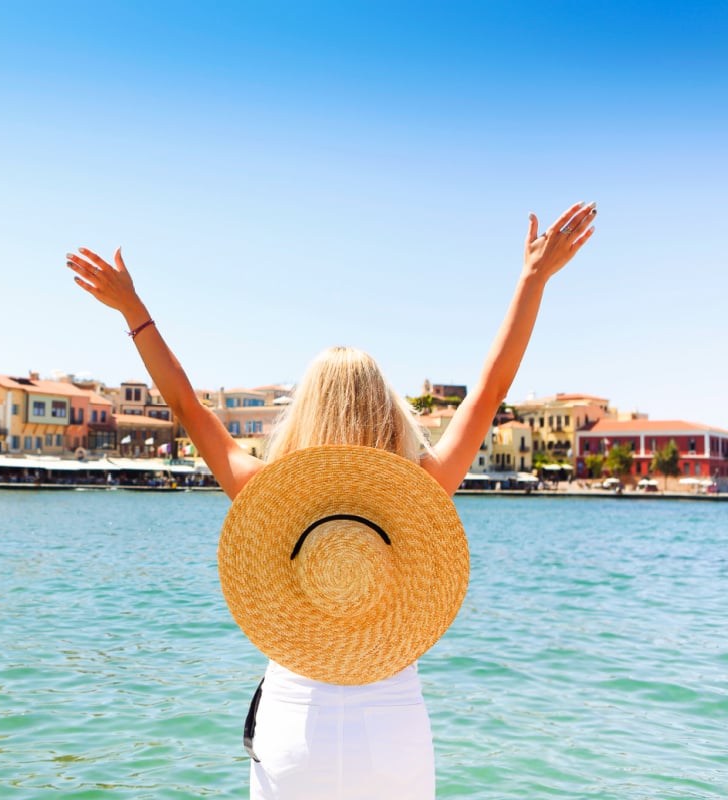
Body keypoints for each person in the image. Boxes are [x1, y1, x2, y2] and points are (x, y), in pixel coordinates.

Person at [66, 200, 596, 798]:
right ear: (388, 407)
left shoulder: (265, 491)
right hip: (394, 727)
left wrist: (133, 309)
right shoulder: (422, 488)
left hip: (296, 721)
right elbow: (492, 388)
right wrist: (532, 279)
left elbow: (187, 406)